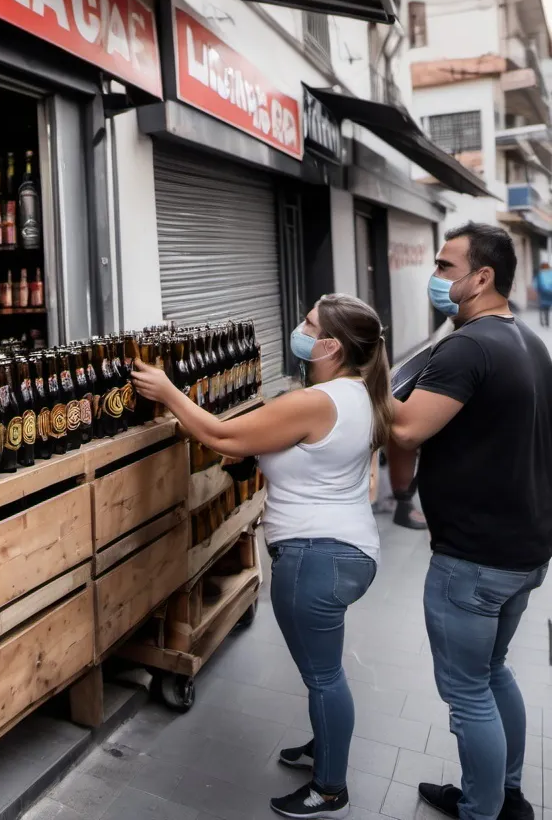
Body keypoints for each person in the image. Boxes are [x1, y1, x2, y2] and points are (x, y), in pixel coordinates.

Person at [133, 294, 390, 820]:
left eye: (309, 324)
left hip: (316, 557)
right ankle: (327, 749)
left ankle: (330, 788)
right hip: (346, 549)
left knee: (323, 678)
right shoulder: (358, 392)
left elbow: (223, 437)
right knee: (327, 670)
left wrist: (168, 392)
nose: (298, 328)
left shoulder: (318, 401)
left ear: (331, 345)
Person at [389, 222, 552, 820]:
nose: (434, 278)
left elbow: (405, 428)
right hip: (524, 549)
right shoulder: (528, 341)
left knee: (466, 692)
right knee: (493, 672)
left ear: (481, 277)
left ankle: (482, 812)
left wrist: (363, 378)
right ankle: (503, 794)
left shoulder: (469, 346)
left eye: (443, 267)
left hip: (476, 560)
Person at [534, 261, 552, 327]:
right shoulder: (551, 273)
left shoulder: (540, 274)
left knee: (542, 307)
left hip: (542, 293)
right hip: (550, 293)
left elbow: (535, 284)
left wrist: (537, 290)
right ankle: (547, 322)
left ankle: (542, 322)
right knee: (547, 307)